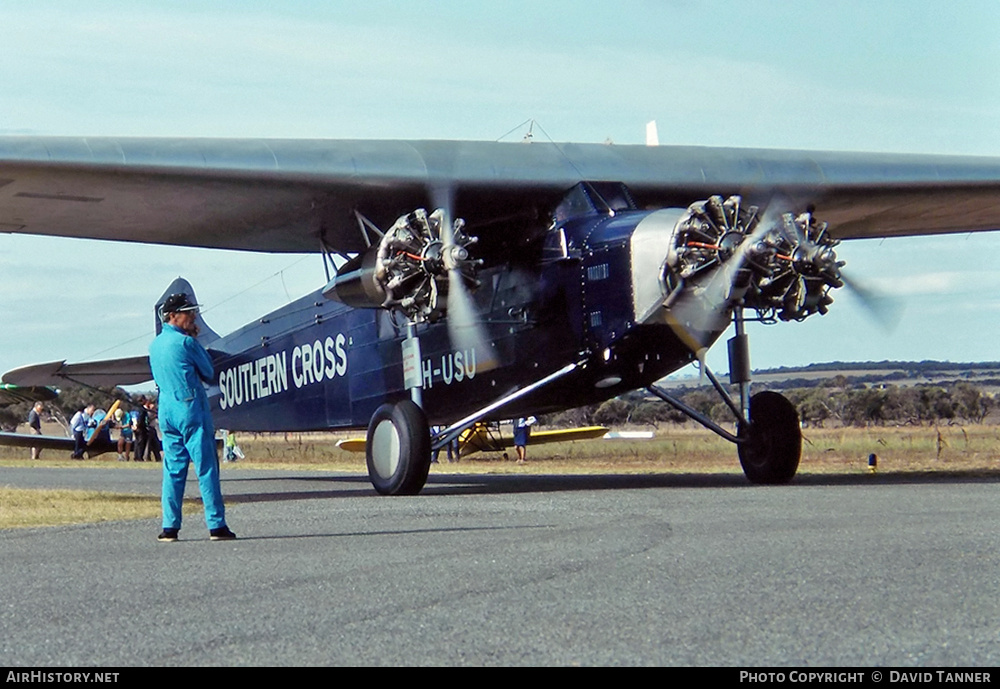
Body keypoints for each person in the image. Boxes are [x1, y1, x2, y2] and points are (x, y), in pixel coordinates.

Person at [149, 293, 235, 542]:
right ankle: (216, 525)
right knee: (206, 466)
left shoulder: (154, 345)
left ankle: (170, 527)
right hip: (190, 407)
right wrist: (195, 342)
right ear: (173, 316)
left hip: (166, 408)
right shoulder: (187, 343)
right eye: (189, 312)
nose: (193, 316)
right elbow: (208, 372)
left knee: (173, 469)